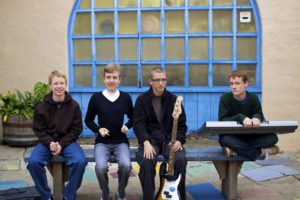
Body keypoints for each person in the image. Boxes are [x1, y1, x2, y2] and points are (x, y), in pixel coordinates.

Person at [27, 70, 86, 200]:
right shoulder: (41, 107)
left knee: (80, 162)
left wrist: (61, 144)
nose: (59, 86)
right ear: (50, 86)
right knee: (33, 163)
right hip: (47, 142)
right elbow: (38, 129)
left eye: (61, 83)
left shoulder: (74, 106)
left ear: (65, 85)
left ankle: (69, 195)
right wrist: (50, 143)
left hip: (68, 142)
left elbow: (76, 129)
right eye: (55, 83)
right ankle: (46, 196)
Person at [133, 66, 188, 200]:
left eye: (163, 79)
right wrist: (145, 142)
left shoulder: (174, 99)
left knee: (180, 159)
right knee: (147, 161)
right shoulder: (142, 100)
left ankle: (180, 195)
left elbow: (182, 125)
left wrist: (179, 140)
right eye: (157, 80)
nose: (161, 83)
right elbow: (138, 124)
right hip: (150, 141)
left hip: (170, 139)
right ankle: (148, 197)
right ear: (150, 81)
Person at [84, 63, 133, 200]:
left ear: (119, 80)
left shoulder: (125, 98)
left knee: (125, 165)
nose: (111, 80)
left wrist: (127, 125)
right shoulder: (96, 98)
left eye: (114, 77)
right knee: (100, 168)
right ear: (104, 79)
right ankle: (105, 194)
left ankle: (121, 192)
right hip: (102, 142)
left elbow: (133, 117)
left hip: (120, 141)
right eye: (108, 77)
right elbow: (88, 120)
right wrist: (98, 129)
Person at [218, 70, 279, 160]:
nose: (234, 87)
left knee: (273, 138)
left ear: (246, 84)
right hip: (233, 136)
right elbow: (222, 120)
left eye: (237, 83)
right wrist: (240, 117)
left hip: (251, 136)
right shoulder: (224, 98)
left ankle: (235, 150)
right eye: (231, 84)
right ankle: (258, 154)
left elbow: (260, 115)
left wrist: (257, 118)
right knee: (225, 140)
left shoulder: (253, 98)